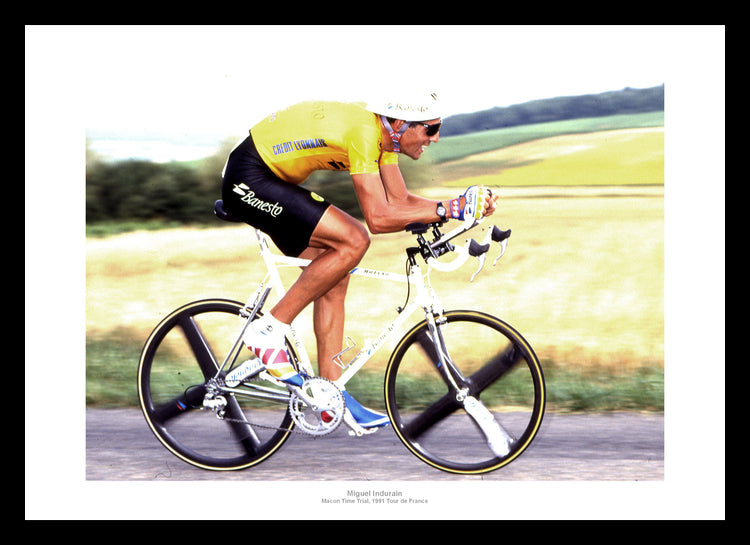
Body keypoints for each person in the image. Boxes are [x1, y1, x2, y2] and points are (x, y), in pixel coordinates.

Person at [220, 92, 498, 428]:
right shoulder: (365, 134)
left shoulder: (386, 140)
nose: (435, 138)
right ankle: (267, 332)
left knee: (335, 272)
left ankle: (329, 394)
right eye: (430, 128)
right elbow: (379, 219)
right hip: (249, 176)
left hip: (271, 180)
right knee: (354, 238)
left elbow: (400, 200)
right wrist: (448, 209)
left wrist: (457, 206)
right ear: (399, 124)